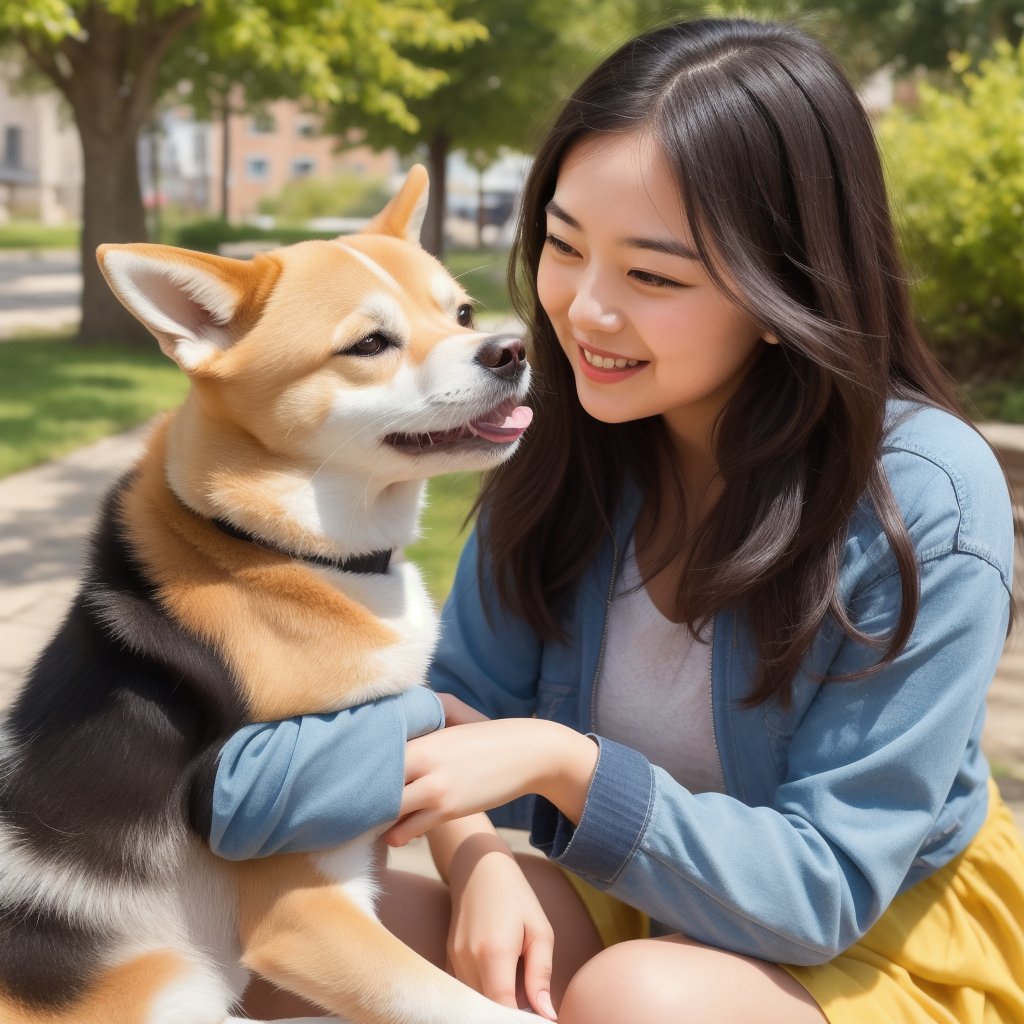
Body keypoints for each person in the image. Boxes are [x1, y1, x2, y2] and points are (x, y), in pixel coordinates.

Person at [219, 17, 1024, 1023]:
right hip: (639, 899)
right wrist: (476, 861)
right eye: (562, 245)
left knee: (631, 998)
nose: (583, 310)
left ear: (783, 290)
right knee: (246, 939)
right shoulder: (563, 446)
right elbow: (448, 714)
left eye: (651, 275)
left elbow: (823, 887)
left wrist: (567, 763)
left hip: (878, 933)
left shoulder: (925, 496)